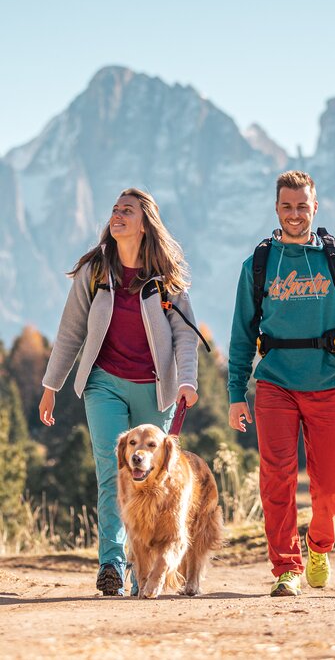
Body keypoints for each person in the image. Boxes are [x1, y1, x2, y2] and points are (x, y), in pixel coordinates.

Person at [39, 188, 199, 596]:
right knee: (114, 473)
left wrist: (187, 381)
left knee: (156, 480)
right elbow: (70, 330)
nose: (117, 215)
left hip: (155, 387)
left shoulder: (166, 275)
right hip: (103, 383)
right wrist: (51, 385)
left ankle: (148, 563)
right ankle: (111, 562)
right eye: (114, 209)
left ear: (145, 223)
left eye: (127, 210)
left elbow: (184, 334)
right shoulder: (97, 270)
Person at [228, 170, 335, 596]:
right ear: (277, 209)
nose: (295, 214)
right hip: (274, 383)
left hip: (329, 382)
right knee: (277, 478)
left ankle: (318, 545)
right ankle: (286, 568)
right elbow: (241, 334)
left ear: (315, 207)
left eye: (302, 206)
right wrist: (237, 393)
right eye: (287, 206)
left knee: (331, 487)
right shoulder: (257, 264)